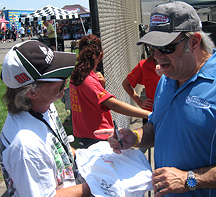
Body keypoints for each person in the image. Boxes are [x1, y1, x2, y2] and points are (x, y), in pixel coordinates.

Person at [95, 1, 216, 197]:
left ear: (194, 41)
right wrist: (134, 137)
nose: (157, 56)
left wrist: (190, 179)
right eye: (153, 47)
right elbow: (157, 126)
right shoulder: (167, 80)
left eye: (166, 47)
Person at [0, 40, 91, 196]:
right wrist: (98, 182)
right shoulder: (26, 147)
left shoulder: (44, 105)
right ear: (32, 92)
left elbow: (58, 147)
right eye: (57, 76)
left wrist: (89, 158)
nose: (65, 78)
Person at [70, 34, 150, 148]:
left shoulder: (76, 75)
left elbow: (88, 99)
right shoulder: (89, 81)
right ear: (100, 55)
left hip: (83, 134)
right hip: (98, 137)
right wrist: (149, 114)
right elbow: (114, 105)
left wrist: (101, 84)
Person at [122, 51, 161, 124]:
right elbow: (126, 84)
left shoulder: (174, 64)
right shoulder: (144, 65)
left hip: (171, 113)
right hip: (151, 114)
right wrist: (139, 102)